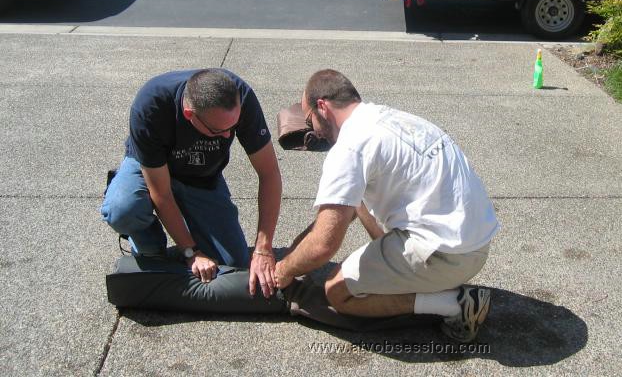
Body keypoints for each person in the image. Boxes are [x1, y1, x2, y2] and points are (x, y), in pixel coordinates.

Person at [274, 70, 499, 342]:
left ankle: (455, 305)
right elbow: (338, 214)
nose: (313, 131)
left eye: (309, 120)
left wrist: (283, 271)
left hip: (447, 257)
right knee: (358, 203)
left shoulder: (350, 147)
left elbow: (324, 244)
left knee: (337, 291)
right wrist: (291, 253)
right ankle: (408, 277)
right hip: (476, 245)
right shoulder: (391, 118)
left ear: (322, 106)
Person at [101, 68, 283, 297]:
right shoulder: (151, 105)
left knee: (233, 263)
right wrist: (191, 252)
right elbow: (162, 193)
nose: (228, 136)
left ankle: (186, 235)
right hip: (151, 170)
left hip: (202, 176)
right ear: (189, 114)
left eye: (232, 128)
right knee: (123, 208)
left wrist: (263, 249)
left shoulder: (240, 95)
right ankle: (149, 245)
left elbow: (269, 173)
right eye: (219, 130)